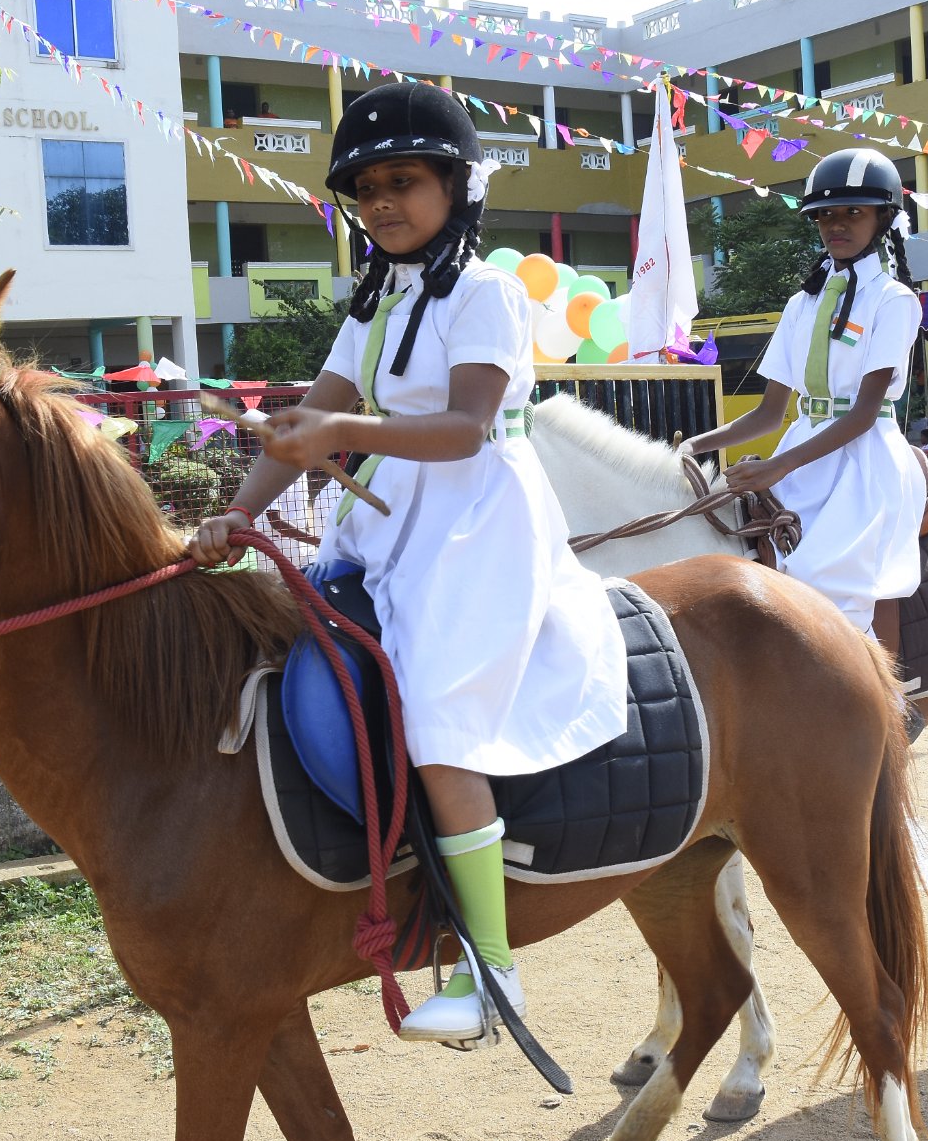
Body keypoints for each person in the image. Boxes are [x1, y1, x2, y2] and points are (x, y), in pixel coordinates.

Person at [191, 82, 628, 1045]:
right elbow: (309, 416)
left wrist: (343, 428)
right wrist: (234, 511)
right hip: (391, 529)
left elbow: (470, 427)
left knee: (437, 720)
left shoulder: (487, 292)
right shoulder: (379, 298)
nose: (382, 202)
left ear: (455, 187)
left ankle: (491, 971)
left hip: (476, 528)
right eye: (365, 189)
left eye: (403, 180)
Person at [682, 144, 927, 671]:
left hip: (865, 456)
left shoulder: (895, 301)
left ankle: (884, 697)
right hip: (803, 443)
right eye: (825, 216)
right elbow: (772, 413)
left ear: (883, 218)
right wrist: (693, 445)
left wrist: (776, 465)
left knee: (827, 572)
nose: (836, 225)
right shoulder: (802, 303)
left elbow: (863, 414)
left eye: (853, 213)